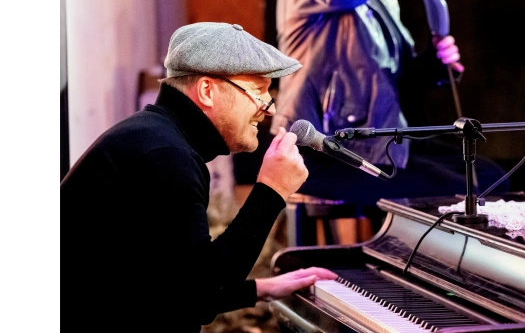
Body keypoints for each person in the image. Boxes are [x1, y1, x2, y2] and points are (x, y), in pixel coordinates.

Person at [58, 22, 337, 333]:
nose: (268, 109)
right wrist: (272, 190)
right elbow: (200, 296)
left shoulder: (157, 138)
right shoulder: (165, 155)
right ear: (207, 91)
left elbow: (175, 285)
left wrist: (262, 289)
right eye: (258, 91)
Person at [271, 0, 509, 224]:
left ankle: (416, 257)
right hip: (325, 149)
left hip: (374, 143)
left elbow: (397, 78)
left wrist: (432, 65)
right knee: (470, 188)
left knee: (490, 177)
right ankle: (404, 257)